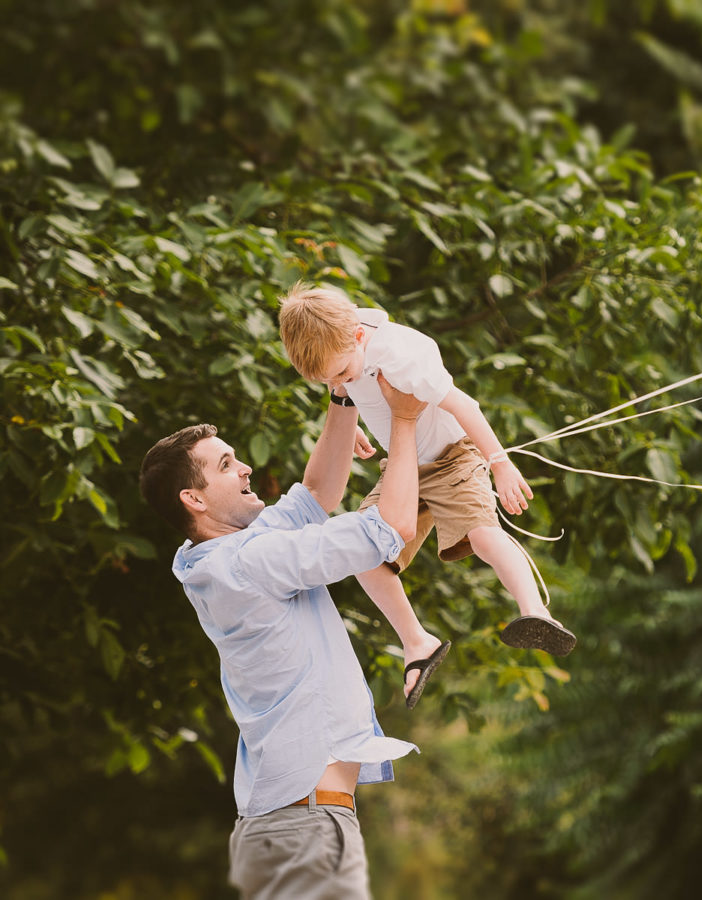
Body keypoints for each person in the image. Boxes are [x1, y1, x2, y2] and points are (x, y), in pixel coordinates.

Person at [139, 373, 426, 900]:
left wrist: (344, 397)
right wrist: (404, 421)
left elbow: (317, 493)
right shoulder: (250, 560)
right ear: (193, 499)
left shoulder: (215, 557)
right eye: (225, 465)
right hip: (304, 825)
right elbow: (392, 528)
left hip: (294, 822)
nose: (246, 466)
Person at [276, 283, 577, 687]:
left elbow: (465, 405)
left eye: (342, 373)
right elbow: (352, 387)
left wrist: (500, 464)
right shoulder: (341, 343)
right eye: (329, 380)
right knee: (362, 552)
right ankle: (417, 642)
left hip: (452, 458)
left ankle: (535, 611)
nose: (340, 381)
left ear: (360, 336)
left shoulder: (401, 356)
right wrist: (355, 420)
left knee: (484, 536)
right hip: (403, 472)